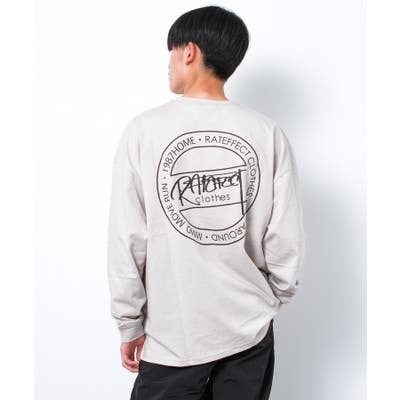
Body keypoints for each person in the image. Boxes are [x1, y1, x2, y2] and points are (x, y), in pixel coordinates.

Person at [107, 5, 306, 400]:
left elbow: (128, 237)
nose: (167, 64)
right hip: (249, 330)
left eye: (170, 52)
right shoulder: (267, 133)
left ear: (189, 51)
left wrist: (129, 322)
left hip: (174, 335)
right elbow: (286, 236)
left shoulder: (144, 131)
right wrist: (270, 300)